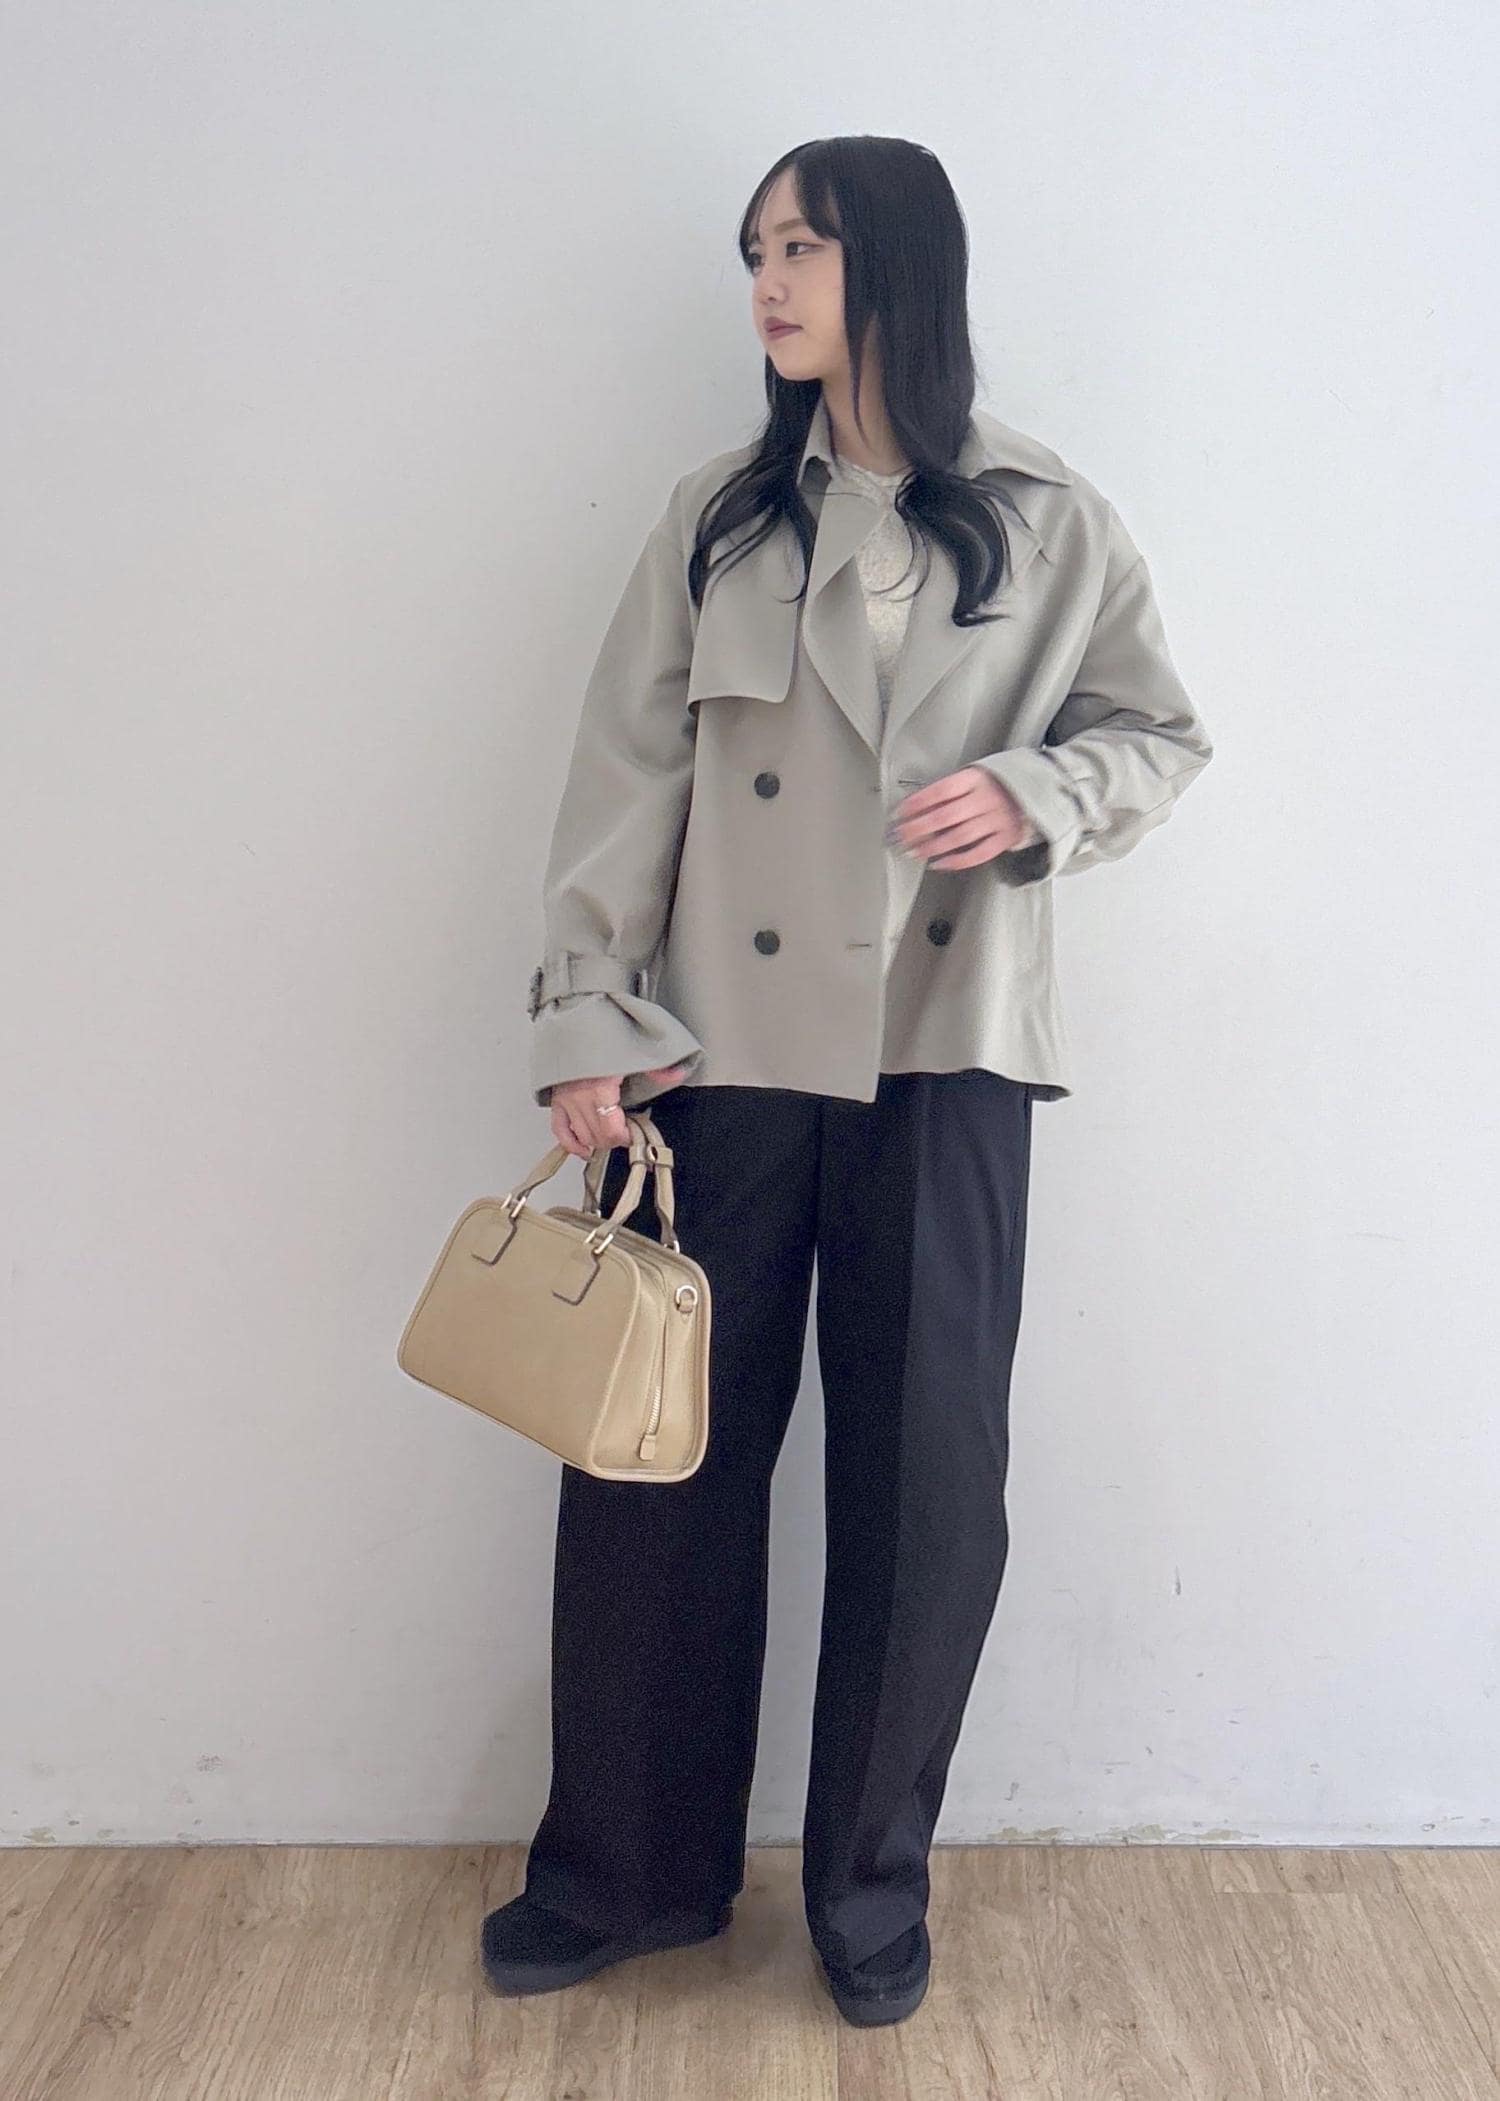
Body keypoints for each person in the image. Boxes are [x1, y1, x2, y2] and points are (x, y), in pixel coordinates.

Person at [482, 134, 1214, 2028]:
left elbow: (1157, 734)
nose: (767, 282)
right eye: (755, 250)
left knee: (925, 1486)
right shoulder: (719, 519)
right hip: (715, 1051)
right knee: (654, 1465)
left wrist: (1034, 795)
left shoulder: (1048, 516)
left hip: (943, 1049)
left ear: (896, 262)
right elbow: (624, 776)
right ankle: (627, 1871)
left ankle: (870, 1889)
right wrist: (587, 1018)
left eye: (799, 245)